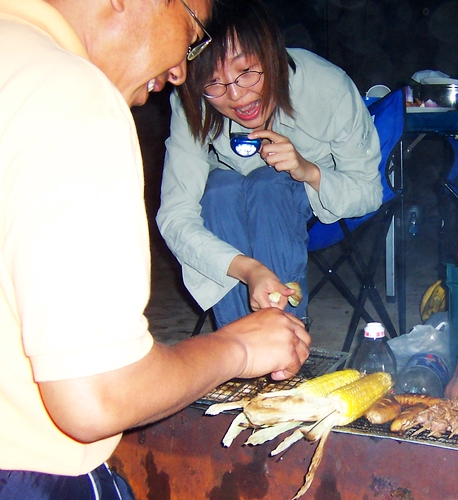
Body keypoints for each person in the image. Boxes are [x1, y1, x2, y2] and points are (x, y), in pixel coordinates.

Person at [0, 0, 311, 498]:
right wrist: (240, 347)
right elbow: (99, 394)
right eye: (191, 30)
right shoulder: (69, 94)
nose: (180, 71)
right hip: (30, 474)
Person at [156, 0, 383, 329]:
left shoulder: (327, 87)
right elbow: (176, 216)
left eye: (246, 71)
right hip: (227, 210)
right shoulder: (193, 101)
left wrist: (308, 171)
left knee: (268, 185)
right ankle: (241, 343)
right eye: (214, 82)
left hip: (305, 209)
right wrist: (248, 269)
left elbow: (368, 193)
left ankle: (283, 337)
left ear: (272, 54)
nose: (236, 96)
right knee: (219, 189)